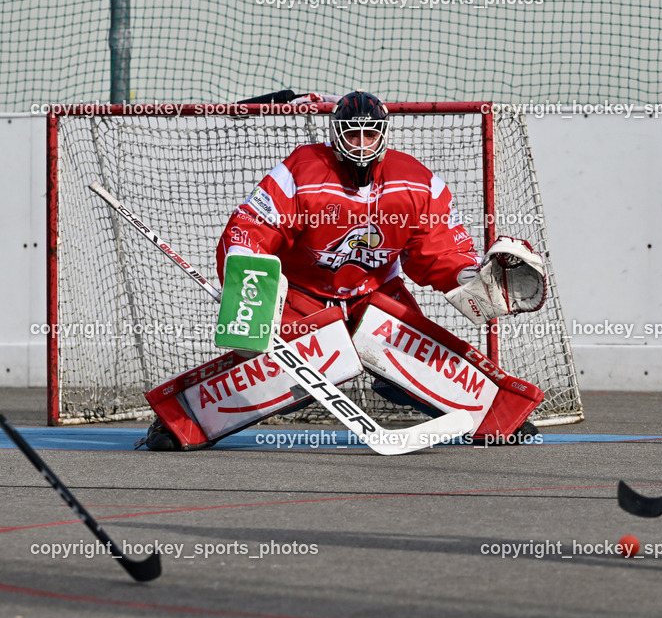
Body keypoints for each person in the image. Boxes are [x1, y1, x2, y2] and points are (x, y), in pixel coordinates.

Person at [143, 90, 546, 450]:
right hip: (304, 294)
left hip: (374, 294)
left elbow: (438, 251)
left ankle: (498, 417)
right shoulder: (302, 169)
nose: (361, 144)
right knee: (286, 369)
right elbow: (250, 229)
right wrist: (251, 285)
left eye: (370, 134)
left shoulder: (418, 183)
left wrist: (469, 278)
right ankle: (178, 421)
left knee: (418, 359)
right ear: (336, 135)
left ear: (384, 135)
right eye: (352, 134)